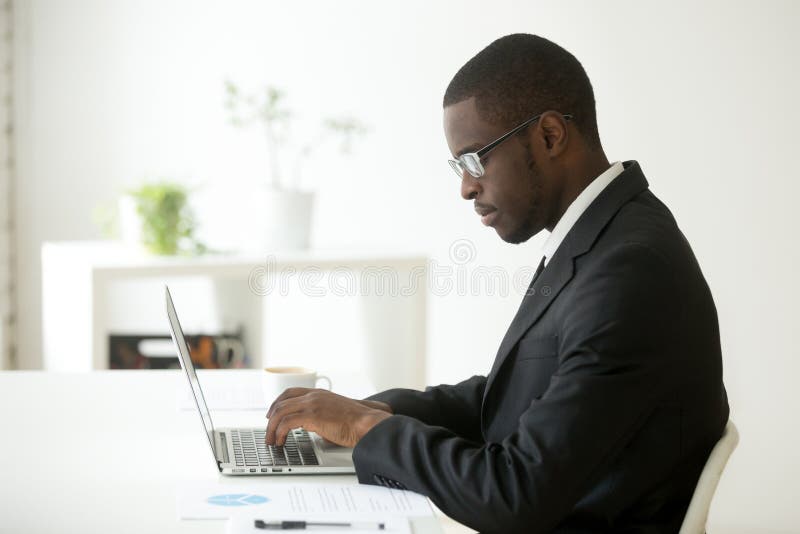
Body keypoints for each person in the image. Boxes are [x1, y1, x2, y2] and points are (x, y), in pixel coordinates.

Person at [265, 33, 729, 533]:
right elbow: (517, 396)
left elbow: (515, 495)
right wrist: (377, 409)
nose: (466, 187)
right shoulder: (603, 237)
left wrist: (365, 429)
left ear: (550, 136)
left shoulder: (631, 270)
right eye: (458, 166)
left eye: (473, 159)